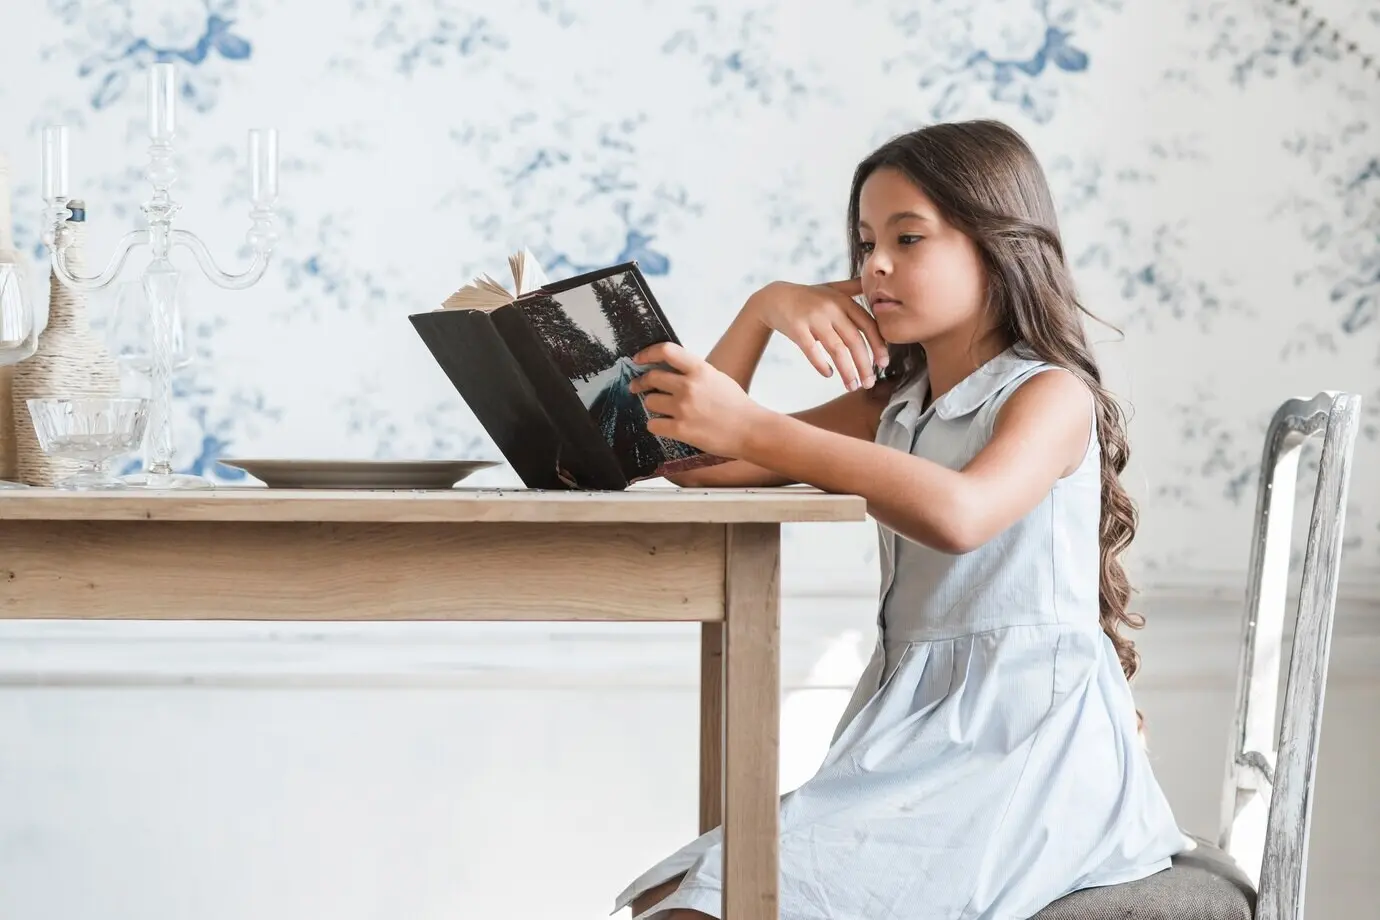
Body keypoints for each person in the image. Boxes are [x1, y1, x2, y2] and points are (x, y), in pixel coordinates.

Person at [615, 119, 1186, 920]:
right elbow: (691, 463)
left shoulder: (1048, 394)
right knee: (676, 896)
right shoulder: (897, 405)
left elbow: (962, 514)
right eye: (863, 242)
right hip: (914, 738)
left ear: (997, 246)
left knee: (711, 906)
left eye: (908, 238)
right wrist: (764, 309)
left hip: (1027, 751)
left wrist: (756, 427)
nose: (874, 265)